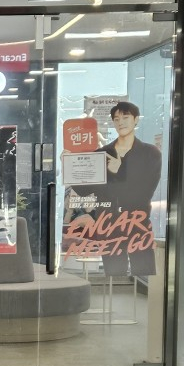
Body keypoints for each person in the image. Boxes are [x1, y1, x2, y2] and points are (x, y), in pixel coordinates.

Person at [65, 102, 162, 276]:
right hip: (108, 226)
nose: (121, 122)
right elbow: (84, 191)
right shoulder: (101, 153)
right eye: (116, 119)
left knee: (144, 275)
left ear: (136, 120)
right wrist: (70, 165)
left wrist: (119, 170)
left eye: (125, 117)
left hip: (137, 223)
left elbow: (145, 190)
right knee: (113, 277)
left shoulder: (150, 153)